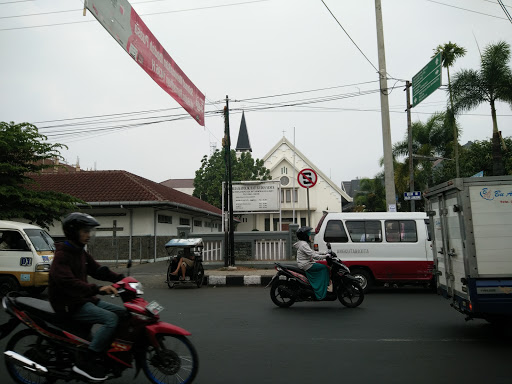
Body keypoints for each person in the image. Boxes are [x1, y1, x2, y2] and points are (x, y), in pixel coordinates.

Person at [49, 212, 127, 382]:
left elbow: (98, 270)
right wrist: (98, 289)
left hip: (83, 299)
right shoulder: (62, 255)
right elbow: (68, 282)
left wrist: (121, 278)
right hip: (70, 304)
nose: (88, 235)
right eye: (84, 231)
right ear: (73, 232)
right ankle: (87, 362)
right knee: (111, 319)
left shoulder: (80, 252)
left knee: (124, 314)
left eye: (89, 231)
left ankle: (106, 353)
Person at [294, 226, 330, 300]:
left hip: (306, 263)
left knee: (323, 267)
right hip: (306, 265)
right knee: (324, 268)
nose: (310, 236)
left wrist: (325, 253)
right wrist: (326, 257)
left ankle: (322, 286)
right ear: (305, 236)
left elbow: (312, 252)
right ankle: (320, 289)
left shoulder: (303, 244)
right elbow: (314, 256)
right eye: (309, 234)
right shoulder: (303, 245)